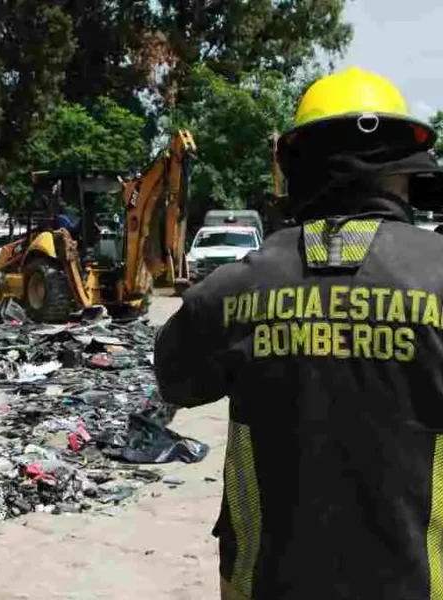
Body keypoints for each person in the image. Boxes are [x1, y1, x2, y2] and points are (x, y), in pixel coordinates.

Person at [154, 67, 443, 600]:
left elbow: (176, 379)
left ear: (298, 168)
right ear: (406, 171)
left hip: (267, 581)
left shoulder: (235, 286)